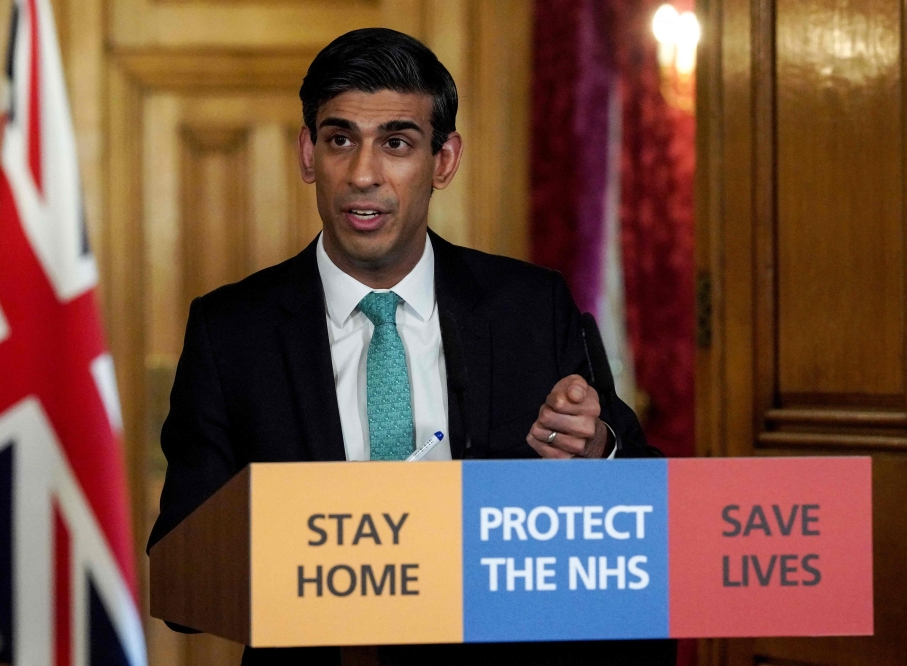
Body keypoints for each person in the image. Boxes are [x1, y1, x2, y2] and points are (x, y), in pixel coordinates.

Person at [149, 27, 674, 666]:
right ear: (308, 155)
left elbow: (642, 513)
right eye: (341, 140)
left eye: (396, 143)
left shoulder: (532, 309)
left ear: (443, 161)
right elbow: (182, 573)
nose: (363, 174)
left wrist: (596, 452)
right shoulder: (231, 331)